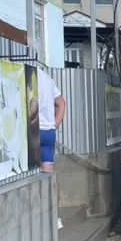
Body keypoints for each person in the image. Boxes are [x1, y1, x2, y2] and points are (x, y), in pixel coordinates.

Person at [37, 68, 66, 228]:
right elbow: (61, 103)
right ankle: (54, 218)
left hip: (31, 131)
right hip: (48, 131)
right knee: (49, 174)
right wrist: (54, 125)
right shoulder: (46, 77)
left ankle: (37, 217)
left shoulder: (22, 71)